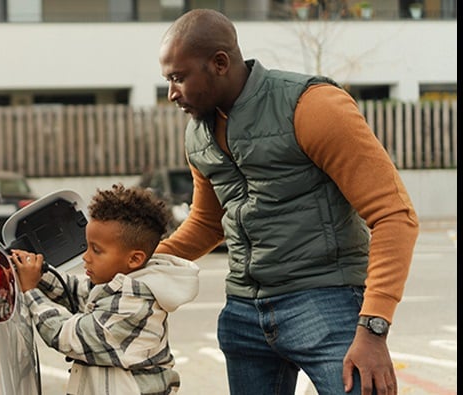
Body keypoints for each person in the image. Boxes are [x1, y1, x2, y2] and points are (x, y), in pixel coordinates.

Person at [156, 9, 419, 395]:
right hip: (243, 314)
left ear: (219, 63)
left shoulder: (313, 106)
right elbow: (208, 224)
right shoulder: (198, 133)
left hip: (326, 303)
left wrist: (374, 328)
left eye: (178, 78)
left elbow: (395, 216)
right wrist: (139, 264)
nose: (171, 93)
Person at [10, 184, 199, 395]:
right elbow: (77, 293)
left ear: (135, 259)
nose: (86, 256)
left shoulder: (133, 304)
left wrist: (30, 291)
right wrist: (37, 273)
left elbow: (67, 336)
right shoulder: (119, 286)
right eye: (87, 246)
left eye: (97, 250)